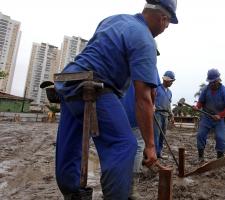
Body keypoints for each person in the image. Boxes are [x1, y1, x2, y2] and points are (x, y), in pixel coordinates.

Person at [54, 0, 178, 199]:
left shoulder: (113, 20)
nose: (165, 28)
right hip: (96, 87)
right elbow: (144, 98)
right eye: (168, 23)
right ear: (164, 18)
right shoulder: (145, 39)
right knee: (124, 145)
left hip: (68, 83)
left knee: (71, 142)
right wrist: (150, 145)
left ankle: (72, 192)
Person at [193, 68, 225, 161]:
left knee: (220, 137)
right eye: (210, 82)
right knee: (200, 135)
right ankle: (200, 157)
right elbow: (201, 102)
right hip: (207, 117)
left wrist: (220, 115)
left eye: (213, 82)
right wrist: (197, 107)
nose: (211, 84)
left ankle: (219, 158)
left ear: (218, 80)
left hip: (220, 118)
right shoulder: (205, 89)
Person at [153, 70, 175, 158]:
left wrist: (171, 114)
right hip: (157, 114)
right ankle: (154, 153)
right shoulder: (157, 88)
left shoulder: (170, 92)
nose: (172, 83)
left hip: (165, 115)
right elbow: (151, 99)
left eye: (172, 81)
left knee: (163, 135)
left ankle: (159, 152)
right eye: (171, 81)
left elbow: (169, 105)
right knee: (156, 134)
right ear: (166, 80)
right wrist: (152, 106)